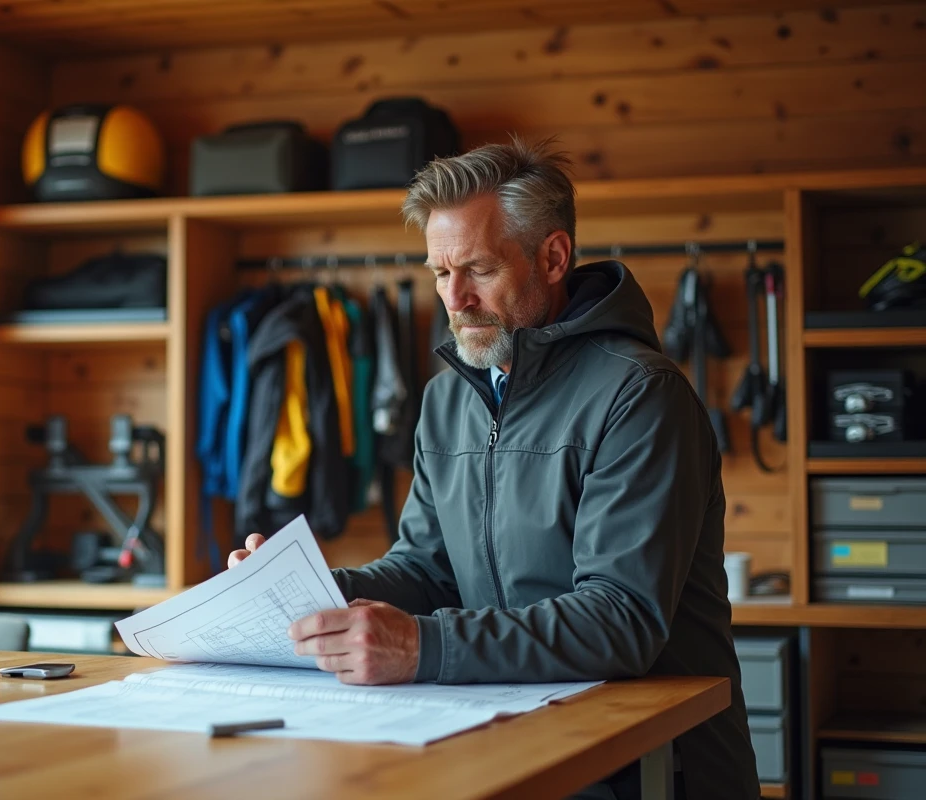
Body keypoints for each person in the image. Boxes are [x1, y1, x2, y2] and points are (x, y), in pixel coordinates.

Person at [228, 136, 760, 800]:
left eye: (478, 269)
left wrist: (421, 648)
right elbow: (426, 569)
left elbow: (619, 618)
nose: (456, 299)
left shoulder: (639, 395)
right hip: (510, 749)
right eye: (439, 273)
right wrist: (305, 591)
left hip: (649, 769)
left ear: (554, 256)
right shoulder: (448, 397)